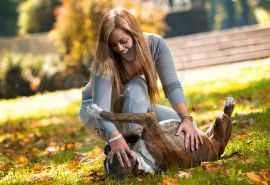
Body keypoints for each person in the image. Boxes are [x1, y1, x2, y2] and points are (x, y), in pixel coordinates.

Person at [79, 7, 203, 169]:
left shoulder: (156, 45)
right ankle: (128, 156)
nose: (120, 49)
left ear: (134, 34)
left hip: (135, 108)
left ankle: (131, 151)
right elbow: (99, 109)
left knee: (186, 128)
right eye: (113, 45)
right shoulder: (106, 60)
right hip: (97, 117)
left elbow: (172, 86)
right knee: (137, 84)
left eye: (123, 41)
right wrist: (114, 137)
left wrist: (187, 119)